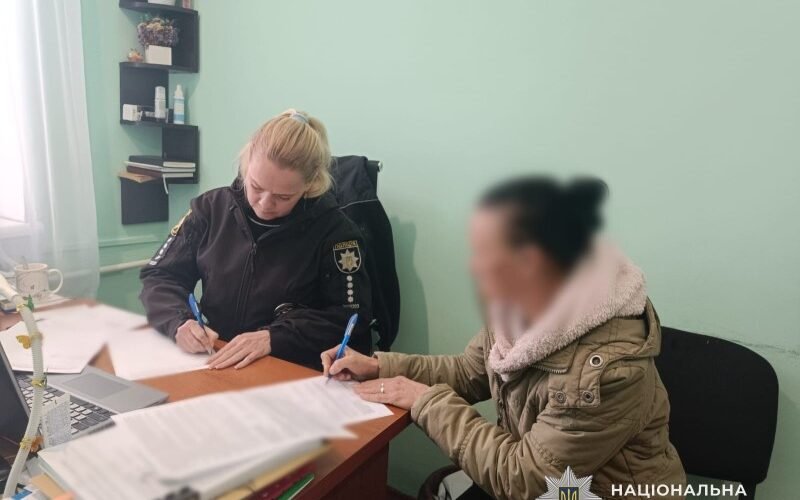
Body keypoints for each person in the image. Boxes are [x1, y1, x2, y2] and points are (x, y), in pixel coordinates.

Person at [322, 177, 686, 499]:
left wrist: (425, 401)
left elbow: (522, 478)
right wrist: (379, 366)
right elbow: (468, 371)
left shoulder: (609, 372)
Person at [140, 109, 372, 370]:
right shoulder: (210, 209)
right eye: (256, 187)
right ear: (247, 163)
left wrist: (274, 337)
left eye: (283, 197)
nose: (264, 204)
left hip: (286, 368)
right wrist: (179, 322)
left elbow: (351, 317)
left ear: (310, 184)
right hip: (215, 357)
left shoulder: (337, 234)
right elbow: (160, 275)